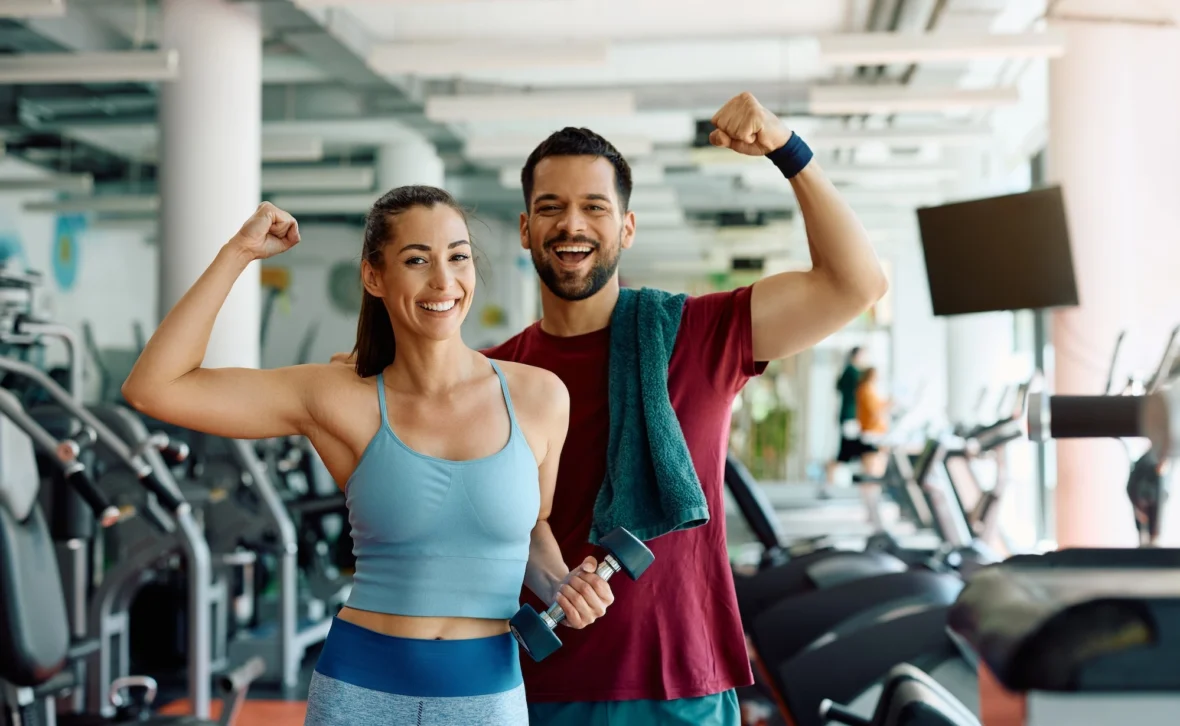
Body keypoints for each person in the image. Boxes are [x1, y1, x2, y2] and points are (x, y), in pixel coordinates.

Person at [332, 91, 887, 723]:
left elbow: (857, 284)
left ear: (626, 226)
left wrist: (789, 150)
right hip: (528, 680)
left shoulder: (696, 334)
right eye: (551, 208)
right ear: (525, 230)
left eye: (594, 207)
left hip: (679, 685)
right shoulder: (490, 376)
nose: (572, 225)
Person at [121, 187, 616, 725]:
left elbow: (532, 527)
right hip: (360, 688)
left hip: (485, 691)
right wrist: (237, 253)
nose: (443, 281)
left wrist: (560, 583)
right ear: (373, 276)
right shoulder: (337, 396)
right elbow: (155, 387)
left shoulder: (541, 396)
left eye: (458, 256)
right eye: (416, 260)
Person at [824, 345, 868, 497]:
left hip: (848, 416)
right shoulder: (853, 372)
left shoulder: (847, 371)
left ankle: (865, 489)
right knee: (848, 453)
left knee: (849, 453)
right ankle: (866, 490)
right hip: (851, 417)